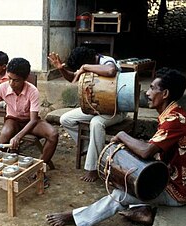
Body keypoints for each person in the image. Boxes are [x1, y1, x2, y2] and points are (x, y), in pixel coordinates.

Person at [46, 68, 186, 226]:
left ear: (165, 94)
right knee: (126, 179)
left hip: (179, 191)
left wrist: (121, 135)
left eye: (152, 88)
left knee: (120, 195)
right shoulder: (175, 113)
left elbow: (146, 151)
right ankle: (143, 211)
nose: (147, 93)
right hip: (173, 177)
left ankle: (76, 217)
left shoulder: (173, 120)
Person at [48, 46, 127, 182]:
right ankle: (92, 148)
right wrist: (61, 68)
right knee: (66, 119)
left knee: (96, 123)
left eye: (81, 66)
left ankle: (93, 168)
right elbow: (73, 78)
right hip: (95, 107)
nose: (81, 69)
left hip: (115, 109)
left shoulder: (106, 61)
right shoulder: (87, 65)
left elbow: (111, 71)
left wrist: (85, 67)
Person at [0, 57, 58, 170]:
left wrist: (18, 136)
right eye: (9, 78)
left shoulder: (32, 91)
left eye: (16, 80)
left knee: (53, 134)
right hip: (13, 120)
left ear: (24, 79)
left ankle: (39, 168)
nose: (11, 83)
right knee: (4, 137)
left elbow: (34, 119)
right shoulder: (2, 88)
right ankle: (7, 166)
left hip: (30, 122)